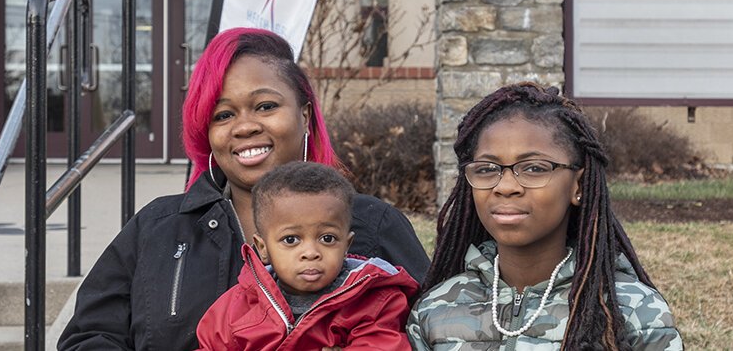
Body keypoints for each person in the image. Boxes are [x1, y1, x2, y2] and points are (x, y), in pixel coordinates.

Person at [59, 28, 429, 350]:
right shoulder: (159, 227)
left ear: (304, 115)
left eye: (265, 106)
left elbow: (429, 330)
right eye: (223, 115)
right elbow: (88, 336)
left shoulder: (373, 225)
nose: (244, 126)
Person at [407, 82, 683, 350]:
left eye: (535, 168)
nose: (505, 187)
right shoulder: (435, 312)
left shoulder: (633, 311)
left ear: (579, 186)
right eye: (487, 169)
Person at [195, 161, 417, 350]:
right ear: (263, 248)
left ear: (346, 245)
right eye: (291, 240)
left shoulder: (374, 301)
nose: (311, 253)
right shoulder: (238, 305)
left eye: (327, 239)